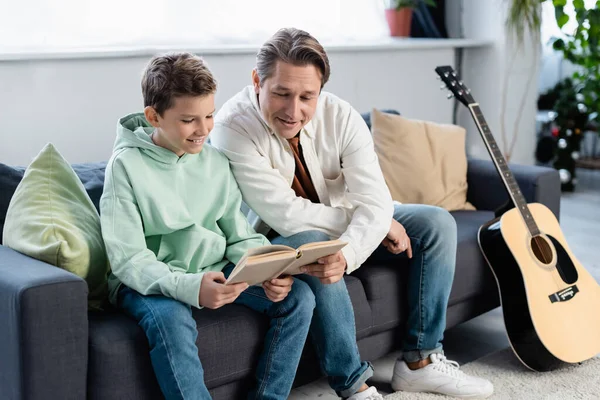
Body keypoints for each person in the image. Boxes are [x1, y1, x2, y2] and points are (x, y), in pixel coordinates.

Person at [210, 28, 494, 399]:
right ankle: (354, 386)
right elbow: (285, 216)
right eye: (281, 93)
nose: (293, 111)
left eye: (307, 97)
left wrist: (352, 248)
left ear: (321, 91)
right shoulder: (232, 126)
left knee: (436, 223)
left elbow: (375, 200)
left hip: (346, 225)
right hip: (277, 239)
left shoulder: (340, 116)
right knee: (318, 245)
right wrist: (373, 224)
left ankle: (420, 362)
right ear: (256, 81)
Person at [100, 52, 318, 400]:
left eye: (209, 116)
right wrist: (190, 287)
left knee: (298, 298)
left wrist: (268, 268)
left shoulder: (215, 161)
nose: (203, 130)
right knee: (172, 320)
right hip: (148, 280)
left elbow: (238, 234)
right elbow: (129, 260)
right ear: (154, 117)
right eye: (189, 120)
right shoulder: (125, 167)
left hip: (213, 268)